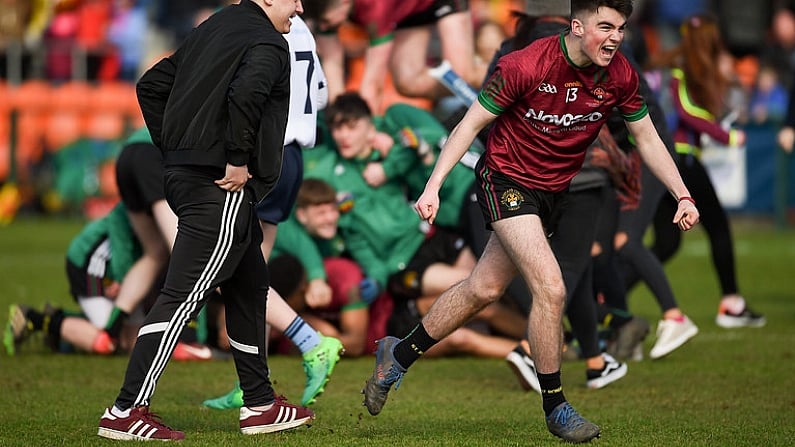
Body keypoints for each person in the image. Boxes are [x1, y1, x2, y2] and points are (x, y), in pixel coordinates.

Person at [360, 1, 700, 444]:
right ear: (577, 27)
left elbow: (647, 136)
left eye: (621, 28)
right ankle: (556, 405)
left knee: (483, 288)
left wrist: (682, 193)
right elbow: (467, 125)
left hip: (555, 191)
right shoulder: (525, 64)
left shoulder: (619, 75)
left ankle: (397, 353)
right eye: (605, 27)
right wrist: (433, 185)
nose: (616, 37)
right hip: (505, 181)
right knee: (551, 287)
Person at [97, 0, 314, 441]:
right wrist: (234, 159)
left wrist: (178, 151)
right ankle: (125, 410)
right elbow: (248, 94)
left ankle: (259, 404)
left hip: (190, 176)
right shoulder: (269, 42)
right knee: (182, 296)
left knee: (250, 288)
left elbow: (151, 85)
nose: (300, 6)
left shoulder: (215, 27)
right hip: (222, 186)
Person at [202, 13, 344, 410]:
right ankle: (252, 381)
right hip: (293, 157)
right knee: (253, 269)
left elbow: (241, 95)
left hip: (263, 156)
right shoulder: (300, 29)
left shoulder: (255, 30)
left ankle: (311, 342)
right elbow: (319, 96)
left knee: (233, 273)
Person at [645, 13, 766, 328]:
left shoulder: (683, 68)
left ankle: (606, 294)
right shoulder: (679, 70)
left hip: (671, 159)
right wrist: (726, 135)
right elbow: (686, 112)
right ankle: (731, 304)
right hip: (680, 159)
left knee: (666, 244)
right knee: (719, 227)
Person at [4, 203, 144, 356]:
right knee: (108, 339)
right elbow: (121, 243)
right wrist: (121, 279)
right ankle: (36, 319)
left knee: (134, 341)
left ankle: (62, 331)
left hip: (119, 271)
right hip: (89, 266)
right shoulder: (134, 200)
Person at [302, 0, 480, 112]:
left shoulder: (374, 8)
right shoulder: (324, 10)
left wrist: (362, 129)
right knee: (408, 84)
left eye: (326, 21)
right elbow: (333, 66)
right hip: (409, 10)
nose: (323, 28)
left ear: (344, 3)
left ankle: (500, 75)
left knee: (461, 78)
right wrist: (339, 118)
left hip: (441, 2)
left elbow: (373, 85)